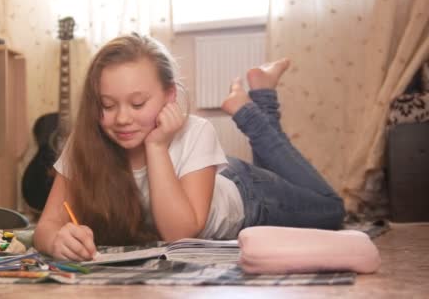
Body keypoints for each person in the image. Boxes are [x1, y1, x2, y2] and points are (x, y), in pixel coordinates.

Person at [33, 33, 345, 261]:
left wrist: (157, 147)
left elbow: (179, 234)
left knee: (332, 209)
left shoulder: (196, 131)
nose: (122, 118)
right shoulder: (86, 140)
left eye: (138, 103)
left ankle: (250, 111)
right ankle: (261, 91)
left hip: (249, 196)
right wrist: (56, 239)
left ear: (170, 96)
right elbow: (46, 224)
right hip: (207, 175)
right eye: (108, 105)